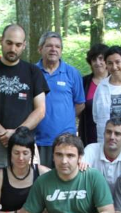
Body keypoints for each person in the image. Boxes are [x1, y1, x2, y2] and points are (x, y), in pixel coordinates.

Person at [0, 24, 49, 187]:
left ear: (24, 45)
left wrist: (17, 134)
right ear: (1, 41)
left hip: (25, 143)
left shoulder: (34, 73)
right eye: (9, 43)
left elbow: (40, 110)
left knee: (30, 193)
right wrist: (3, 134)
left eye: (17, 44)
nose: (12, 48)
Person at [34, 31, 85, 168]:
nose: (53, 49)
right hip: (39, 140)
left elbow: (80, 104)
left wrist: (63, 117)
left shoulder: (72, 73)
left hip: (67, 142)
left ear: (61, 50)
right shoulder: (32, 72)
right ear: (40, 49)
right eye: (49, 46)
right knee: (40, 177)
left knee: (65, 178)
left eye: (57, 46)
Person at [82, 117, 121, 193]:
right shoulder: (91, 149)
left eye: (117, 134)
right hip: (94, 197)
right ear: (104, 134)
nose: (112, 137)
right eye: (108, 132)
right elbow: (81, 176)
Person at [78, 43, 109, 146]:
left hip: (112, 134)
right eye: (94, 59)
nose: (98, 63)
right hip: (88, 134)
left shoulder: (115, 81)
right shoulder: (83, 82)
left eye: (101, 59)